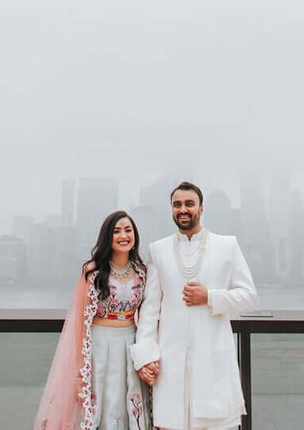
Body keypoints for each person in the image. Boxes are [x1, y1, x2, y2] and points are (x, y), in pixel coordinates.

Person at [130, 182, 258, 430]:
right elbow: (150, 311)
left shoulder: (227, 245)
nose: (183, 209)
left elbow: (249, 296)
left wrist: (210, 296)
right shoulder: (158, 250)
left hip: (213, 358)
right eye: (177, 205)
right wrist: (145, 357)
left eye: (189, 204)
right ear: (171, 209)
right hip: (171, 362)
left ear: (201, 208)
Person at [34, 210, 154, 430]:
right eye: (117, 231)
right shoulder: (93, 272)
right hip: (99, 345)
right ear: (107, 236)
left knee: (129, 404)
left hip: (130, 342)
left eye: (128, 230)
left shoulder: (142, 271)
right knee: (100, 404)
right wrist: (81, 370)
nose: (123, 235)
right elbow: (80, 323)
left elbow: (150, 314)